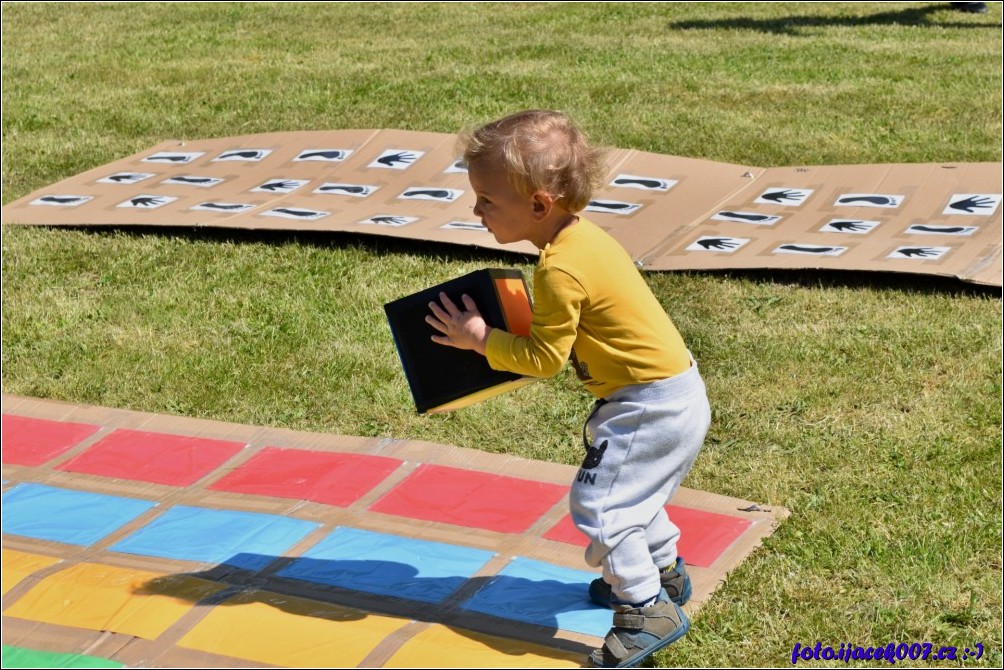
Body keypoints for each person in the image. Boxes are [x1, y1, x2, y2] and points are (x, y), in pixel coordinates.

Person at [425, 109, 712, 668]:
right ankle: (662, 573)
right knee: (633, 494)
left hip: (648, 405)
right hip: (669, 393)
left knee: (602, 504)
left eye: (487, 200)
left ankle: (645, 608)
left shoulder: (559, 269)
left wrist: (480, 338)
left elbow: (543, 360)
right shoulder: (581, 240)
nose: (476, 210)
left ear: (539, 205)